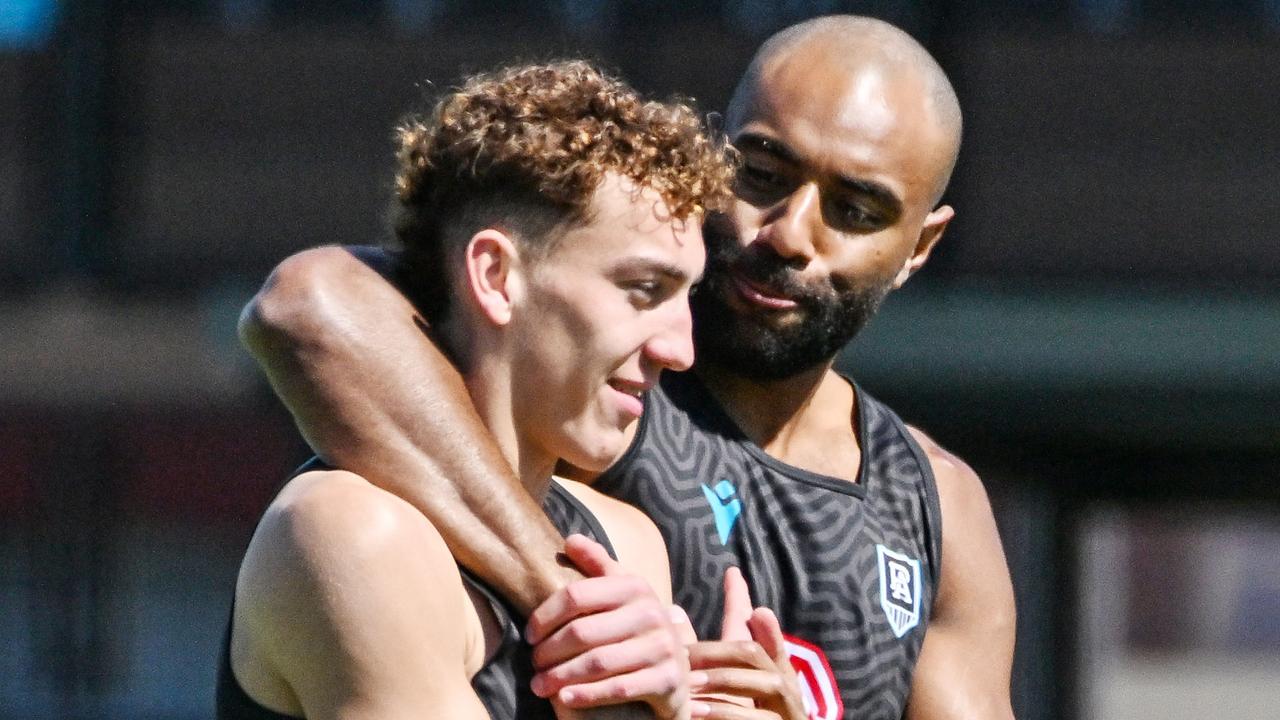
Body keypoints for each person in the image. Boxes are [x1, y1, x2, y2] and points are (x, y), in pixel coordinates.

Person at [239, 15, 1017, 720]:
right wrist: (565, 593)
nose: (790, 234)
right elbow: (310, 305)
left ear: (919, 246)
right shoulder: (577, 366)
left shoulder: (931, 502)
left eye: (854, 210)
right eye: (762, 174)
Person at [217, 59, 804, 720]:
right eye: (645, 290)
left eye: (685, 296)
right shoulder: (352, 533)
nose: (681, 348)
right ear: (496, 276)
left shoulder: (626, 540)